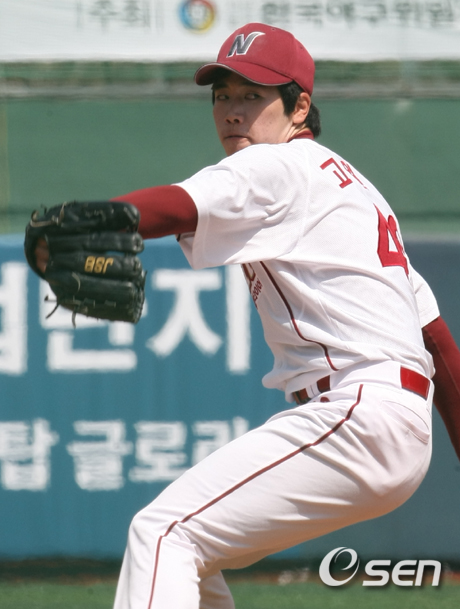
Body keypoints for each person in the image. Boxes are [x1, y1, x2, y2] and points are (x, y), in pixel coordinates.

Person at [33, 23, 460, 609]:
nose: (232, 111)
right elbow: (440, 348)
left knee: (163, 534)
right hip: (390, 422)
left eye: (252, 95)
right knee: (194, 551)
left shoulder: (277, 165)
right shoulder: (358, 191)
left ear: (299, 107)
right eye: (222, 96)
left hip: (358, 412)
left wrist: (82, 226)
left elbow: (176, 206)